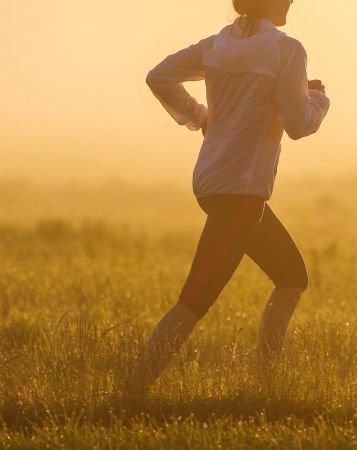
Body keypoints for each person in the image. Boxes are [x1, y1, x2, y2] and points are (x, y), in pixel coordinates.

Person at [125, 0, 330, 398]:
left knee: (291, 277)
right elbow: (299, 124)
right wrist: (318, 100)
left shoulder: (218, 45)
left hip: (213, 182)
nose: (292, 2)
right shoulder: (287, 50)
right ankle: (130, 395)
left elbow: (158, 77)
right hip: (241, 191)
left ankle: (267, 388)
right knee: (194, 301)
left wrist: (199, 117)